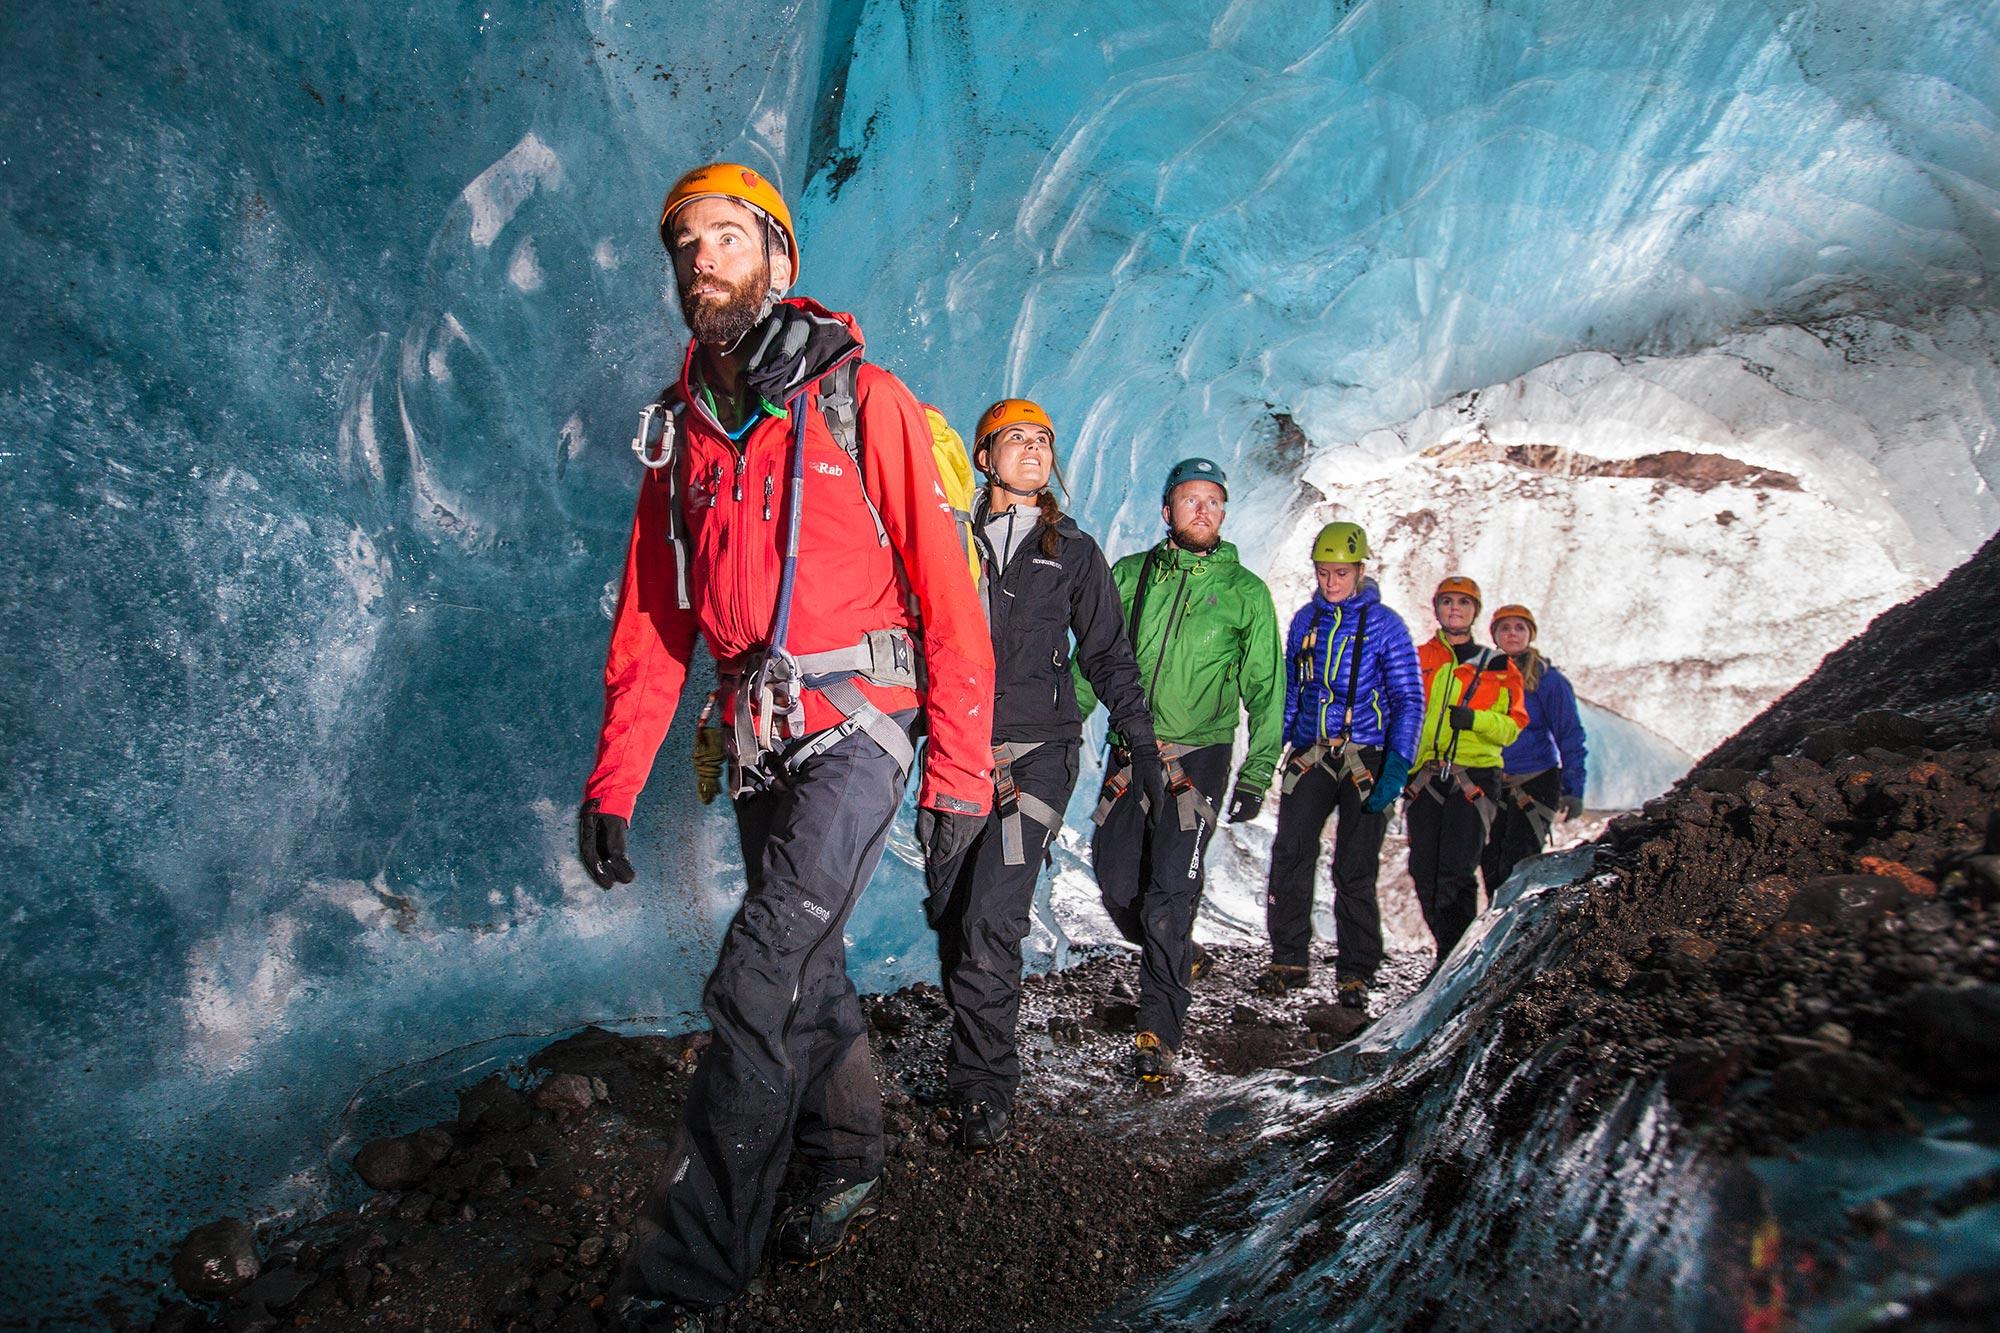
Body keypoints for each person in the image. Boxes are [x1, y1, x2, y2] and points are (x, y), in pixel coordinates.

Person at [575, 163, 994, 1329]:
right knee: (801, 969)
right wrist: (614, 780)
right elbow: (654, 621)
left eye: (725, 235)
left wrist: (957, 772)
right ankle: (849, 1152)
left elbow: (948, 600)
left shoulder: (867, 402)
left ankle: (686, 1277)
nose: (701, 258)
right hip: (759, 739)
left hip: (861, 726)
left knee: (754, 975)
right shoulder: (681, 438)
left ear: (780, 260)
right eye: (683, 245)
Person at [928, 398, 1162, 1152]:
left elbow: (1108, 656)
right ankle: (974, 1049)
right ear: (985, 454)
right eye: (1016, 439)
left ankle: (984, 1084)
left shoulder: (1075, 552)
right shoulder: (952, 544)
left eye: (1043, 442)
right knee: (951, 912)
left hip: (1040, 758)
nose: (1032, 451)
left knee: (993, 914)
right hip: (957, 754)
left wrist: (1144, 746)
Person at [1082, 457, 1282, 1083]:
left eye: (1214, 502)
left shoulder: (1246, 593)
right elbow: (1093, 661)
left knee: (1171, 891)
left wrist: (1257, 771)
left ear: (1224, 513)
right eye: (1190, 500)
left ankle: (1158, 1032)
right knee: (1116, 882)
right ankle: (1181, 956)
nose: (1203, 511)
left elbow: (1267, 689)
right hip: (1130, 755)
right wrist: (1053, 725)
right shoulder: (1129, 575)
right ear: (1167, 510)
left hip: (1200, 760)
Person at [1258, 522, 1424, 1010]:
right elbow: (1292, 690)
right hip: (1311, 753)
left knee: (1354, 866)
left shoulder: (1386, 626)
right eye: (1324, 572)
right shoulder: (1305, 621)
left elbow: (1408, 698)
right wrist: (1275, 746)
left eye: (1341, 573)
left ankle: (1356, 969)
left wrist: (1397, 765)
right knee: (1291, 852)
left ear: (1360, 571)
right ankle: (1289, 958)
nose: (1331, 582)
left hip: (1367, 758)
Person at [1404, 575, 1527, 970]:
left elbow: (1511, 726)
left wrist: (1474, 720)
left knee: (1456, 870)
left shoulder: (1500, 667)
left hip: (1475, 776)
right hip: (1425, 776)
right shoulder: (1417, 658)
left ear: (1475, 611)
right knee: (1424, 870)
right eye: (1447, 602)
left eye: (1463, 603)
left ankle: (1452, 960)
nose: (1455, 609)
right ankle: (1451, 953)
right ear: (1437, 608)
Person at [1480, 604, 1588, 894]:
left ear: (1530, 634)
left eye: (1519, 628)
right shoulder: (1484, 677)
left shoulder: (1548, 681)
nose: (1512, 634)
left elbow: (1569, 734)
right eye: (1505, 628)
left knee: (1517, 867)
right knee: (1490, 867)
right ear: (1495, 635)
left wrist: (1574, 789)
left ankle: (1519, 934)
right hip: (1489, 781)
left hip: (1535, 782)